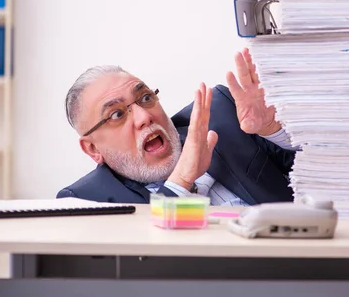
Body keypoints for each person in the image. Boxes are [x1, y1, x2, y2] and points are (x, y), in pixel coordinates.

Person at [57, 48, 297, 205]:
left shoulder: (222, 115)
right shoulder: (86, 200)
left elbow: (308, 172)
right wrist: (182, 179)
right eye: (117, 114)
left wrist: (273, 129)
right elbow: (146, 264)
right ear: (92, 149)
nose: (144, 117)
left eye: (145, 98)